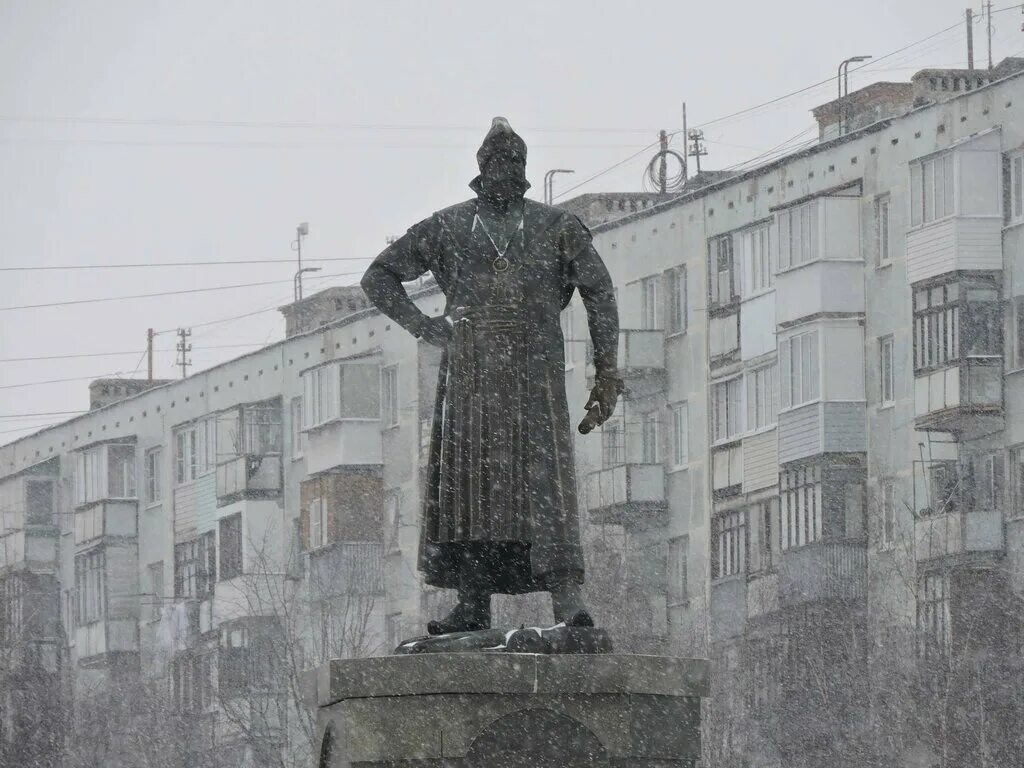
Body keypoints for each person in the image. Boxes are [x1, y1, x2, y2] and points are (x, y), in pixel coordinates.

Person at [361, 117, 622, 634]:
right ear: (483, 170)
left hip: (533, 378)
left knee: (539, 486)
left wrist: (607, 373)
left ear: (522, 169)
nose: (504, 170)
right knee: (472, 485)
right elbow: (377, 277)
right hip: (474, 376)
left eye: (511, 162)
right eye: (497, 162)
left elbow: (600, 292)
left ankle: (565, 598)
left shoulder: (556, 227)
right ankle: (474, 599)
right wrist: (427, 327)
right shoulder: (451, 226)